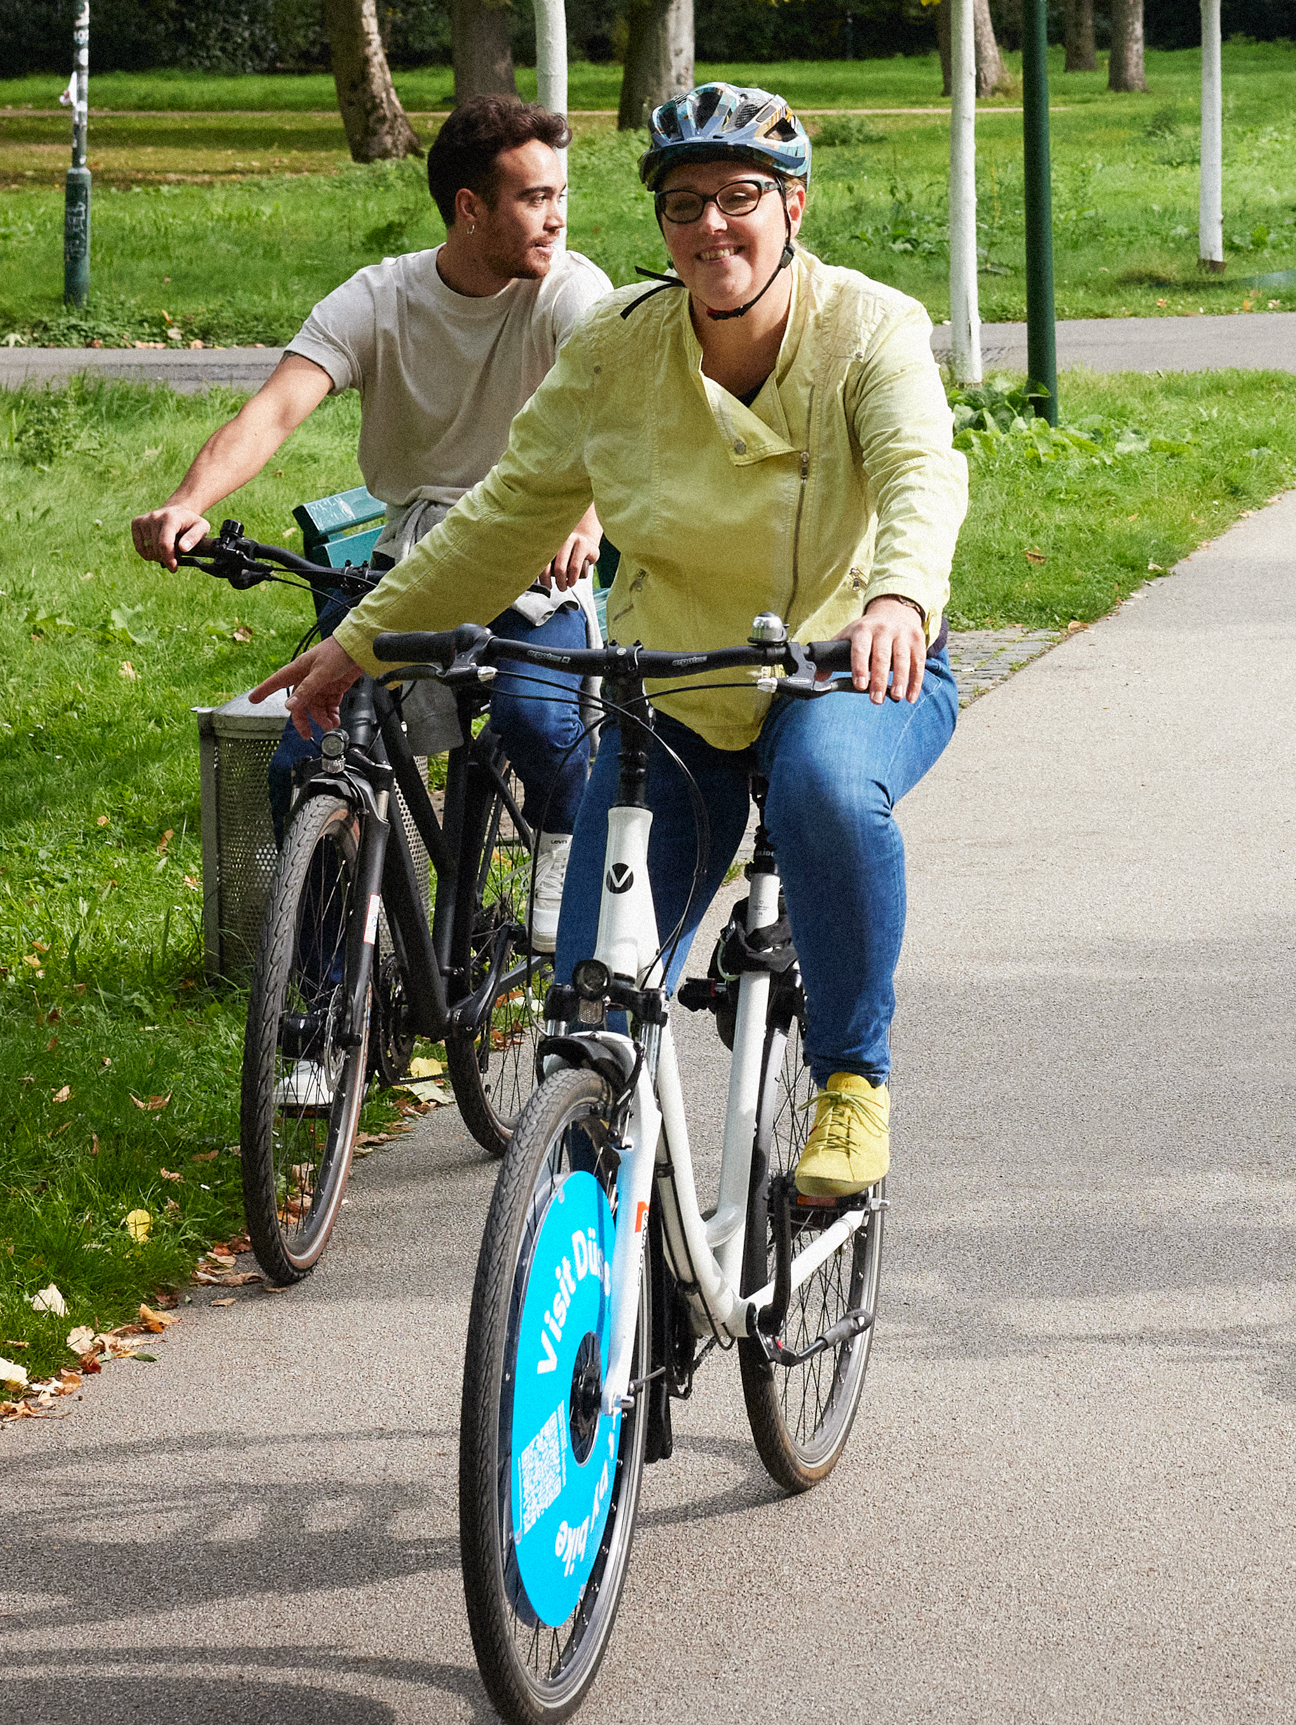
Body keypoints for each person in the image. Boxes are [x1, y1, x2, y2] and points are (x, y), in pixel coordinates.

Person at [264, 82, 963, 1203]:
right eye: (683, 203)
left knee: (827, 792)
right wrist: (362, 644)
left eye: (739, 197)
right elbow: (505, 514)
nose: (710, 227)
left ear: (792, 207)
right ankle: (605, 1289)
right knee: (587, 1011)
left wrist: (898, 600)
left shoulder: (865, 326)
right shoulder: (617, 347)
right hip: (675, 686)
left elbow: (920, 473)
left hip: (843, 662)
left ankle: (849, 1082)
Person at [137, 92, 607, 813]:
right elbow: (273, 410)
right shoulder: (381, 298)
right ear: (470, 207)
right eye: (535, 197)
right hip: (409, 562)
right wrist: (188, 501)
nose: (557, 217)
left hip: (531, 557)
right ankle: (342, 911)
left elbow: (615, 407)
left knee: (536, 722)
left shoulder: (569, 292)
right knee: (305, 759)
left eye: (560, 196)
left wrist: (585, 520)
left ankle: (566, 856)